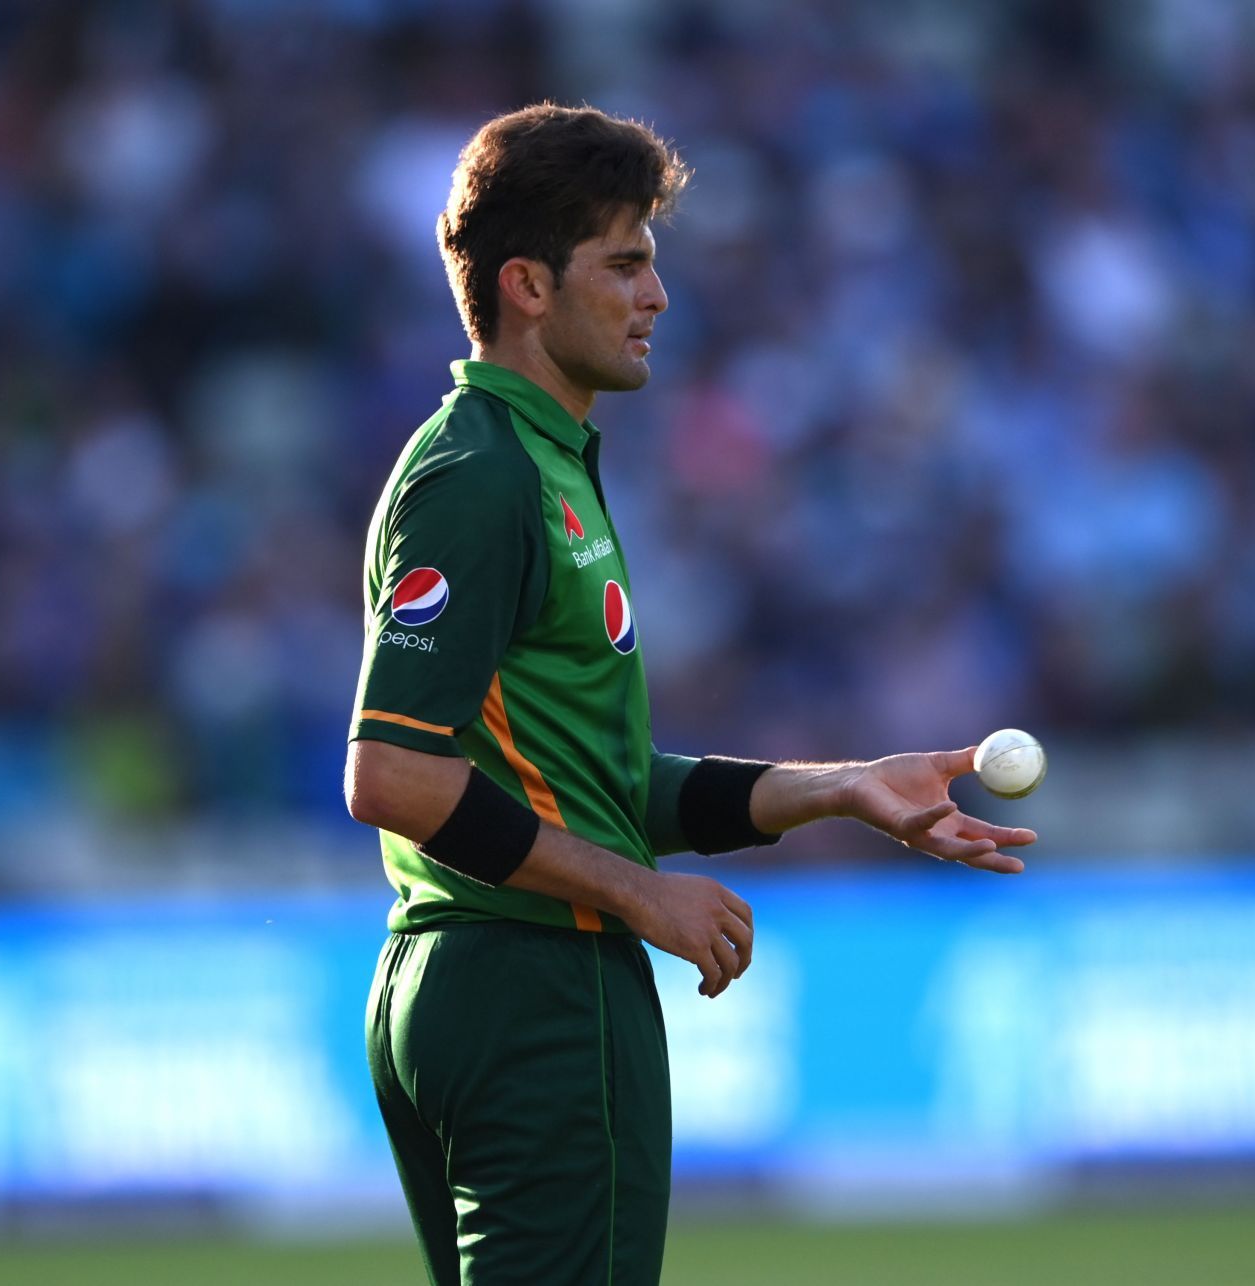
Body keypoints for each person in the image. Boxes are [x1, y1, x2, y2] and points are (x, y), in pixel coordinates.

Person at [343, 103, 1035, 1286]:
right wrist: (634, 893)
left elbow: (591, 783)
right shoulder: (484, 473)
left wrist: (841, 787)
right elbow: (391, 772)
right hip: (537, 978)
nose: (657, 293)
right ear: (527, 285)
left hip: (471, 972)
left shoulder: (532, 459)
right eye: (624, 262)